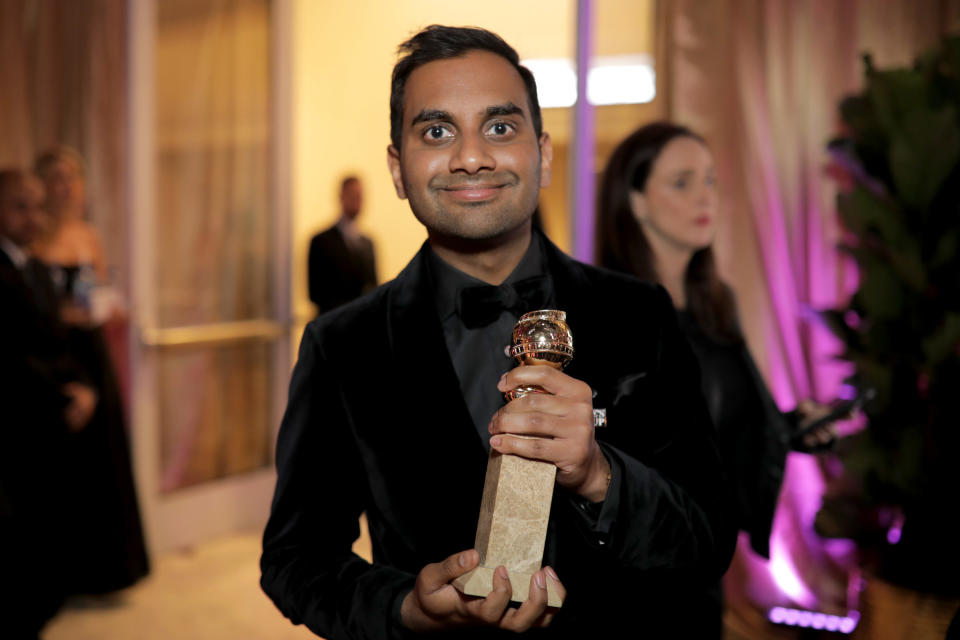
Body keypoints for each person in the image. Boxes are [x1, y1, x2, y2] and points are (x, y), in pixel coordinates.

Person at [261, 26, 736, 639]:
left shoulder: (639, 312)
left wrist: (598, 475)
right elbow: (295, 560)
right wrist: (407, 607)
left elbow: (710, 537)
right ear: (398, 169)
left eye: (500, 128)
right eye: (436, 132)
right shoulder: (342, 345)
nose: (470, 157)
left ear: (542, 153)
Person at [595, 122, 839, 636]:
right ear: (635, 201)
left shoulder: (716, 305)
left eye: (710, 181)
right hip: (632, 574)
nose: (705, 196)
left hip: (703, 566)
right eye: (682, 182)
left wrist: (793, 426)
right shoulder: (612, 312)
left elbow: (720, 428)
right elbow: (612, 441)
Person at [31, 146, 149, 596]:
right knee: (62, 464)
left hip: (93, 352)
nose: (66, 186)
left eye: (72, 177)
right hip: (55, 353)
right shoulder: (34, 237)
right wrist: (67, 316)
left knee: (104, 458)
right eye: (57, 177)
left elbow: (96, 292)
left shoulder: (88, 235)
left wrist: (111, 307)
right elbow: (33, 306)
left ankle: (107, 572)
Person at [0, 168, 98, 638]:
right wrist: (64, 393)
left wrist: (82, 386)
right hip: (13, 419)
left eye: (37, 206)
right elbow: (10, 354)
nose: (33, 216)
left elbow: (55, 341)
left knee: (44, 526)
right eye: (20, 205)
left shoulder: (36, 268)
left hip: (47, 415)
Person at [307, 175, 378, 314]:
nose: (357, 200)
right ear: (341, 196)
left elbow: (373, 287)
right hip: (333, 324)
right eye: (352, 195)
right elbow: (315, 293)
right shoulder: (321, 242)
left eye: (359, 196)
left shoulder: (368, 244)